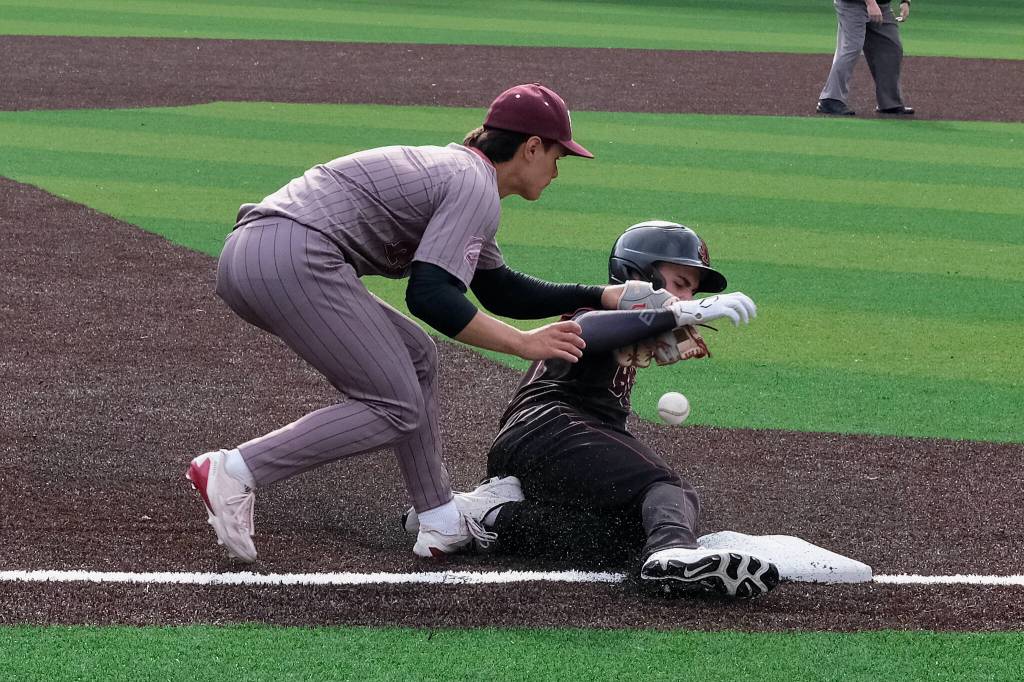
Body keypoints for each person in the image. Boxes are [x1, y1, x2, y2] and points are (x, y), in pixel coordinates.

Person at [185, 83, 667, 563]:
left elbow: (499, 287)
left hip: (262, 254)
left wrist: (603, 295)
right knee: (396, 406)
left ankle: (438, 516)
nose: (558, 170)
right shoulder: (473, 184)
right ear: (531, 147)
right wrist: (522, 343)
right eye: (558, 156)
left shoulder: (463, 177)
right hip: (290, 255)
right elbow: (431, 296)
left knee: (418, 358)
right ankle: (237, 469)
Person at [403, 221, 780, 599]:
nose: (686, 297)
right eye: (680, 283)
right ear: (638, 275)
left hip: (540, 447)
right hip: (548, 426)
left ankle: (485, 517)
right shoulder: (596, 312)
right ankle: (672, 550)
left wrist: (668, 320)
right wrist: (678, 314)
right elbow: (587, 329)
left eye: (692, 292)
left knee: (626, 533)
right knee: (666, 486)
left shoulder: (632, 333)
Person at [816, 0, 915, 116]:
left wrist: (905, 2)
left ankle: (890, 103)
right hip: (853, 4)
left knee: (891, 47)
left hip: (882, 5)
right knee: (851, 47)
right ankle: (830, 99)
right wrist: (871, 3)